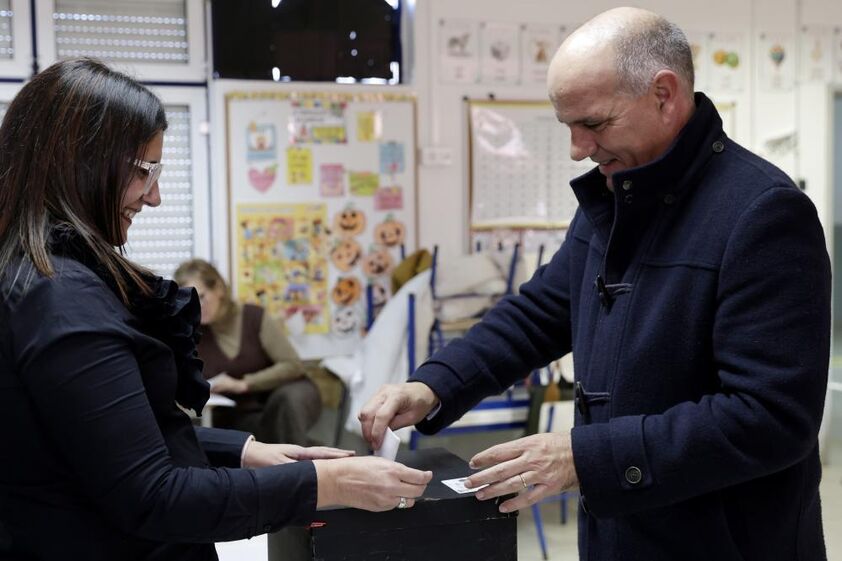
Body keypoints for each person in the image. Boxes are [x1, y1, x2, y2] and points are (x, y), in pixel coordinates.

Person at [359, 7, 830, 561]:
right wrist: (435, 385)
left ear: (664, 94)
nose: (578, 148)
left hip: (726, 539)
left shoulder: (764, 214)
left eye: (595, 124)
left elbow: (770, 418)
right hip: (623, 532)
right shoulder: (614, 196)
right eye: (568, 126)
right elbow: (538, 314)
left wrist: (584, 458)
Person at [0, 58, 431, 560]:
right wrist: (328, 483)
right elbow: (153, 495)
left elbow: (110, 445)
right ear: (80, 161)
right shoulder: (61, 300)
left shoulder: (35, 277)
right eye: (145, 172)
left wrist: (245, 452)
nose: (155, 197)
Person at [174, 258, 322, 446]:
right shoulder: (190, 332)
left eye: (201, 297)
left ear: (218, 289)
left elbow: (293, 366)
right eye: (188, 300)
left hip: (285, 393)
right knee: (233, 428)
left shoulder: (254, 317)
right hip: (241, 410)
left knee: (287, 402)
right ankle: (308, 455)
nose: (196, 306)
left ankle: (303, 468)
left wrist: (244, 384)